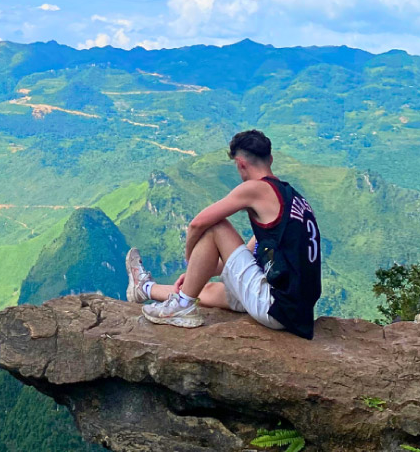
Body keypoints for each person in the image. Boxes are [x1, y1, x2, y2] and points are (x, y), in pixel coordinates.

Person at [125, 130, 322, 339]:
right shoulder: (291, 197)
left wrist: (191, 261)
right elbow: (249, 254)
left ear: (240, 163)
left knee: (216, 227)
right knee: (206, 289)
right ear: (270, 159)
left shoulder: (256, 189)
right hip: (295, 311)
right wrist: (197, 273)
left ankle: (182, 306)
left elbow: (197, 224)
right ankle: (144, 288)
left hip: (276, 306)